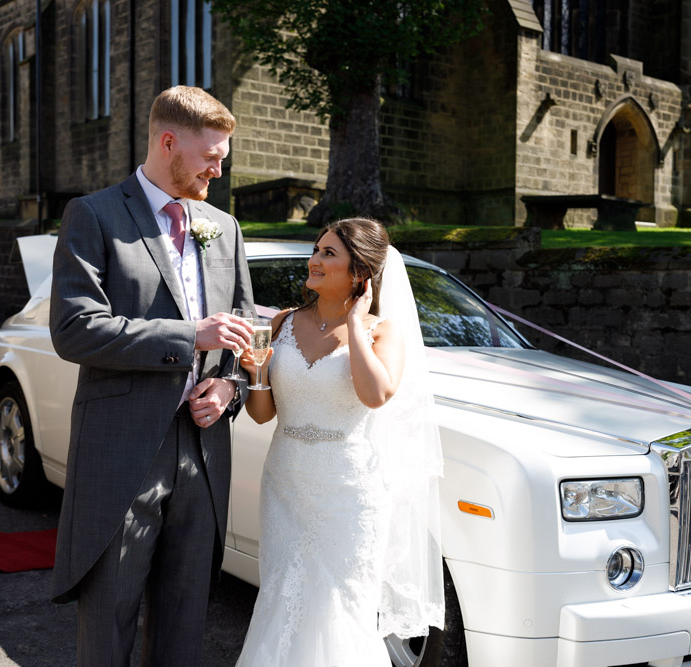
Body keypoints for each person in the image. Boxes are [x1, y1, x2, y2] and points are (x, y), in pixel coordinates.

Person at [49, 85, 256, 665]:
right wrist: (190, 338)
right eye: (211, 155)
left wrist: (228, 384)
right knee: (109, 622)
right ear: (169, 144)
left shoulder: (224, 226)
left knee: (185, 622)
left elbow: (240, 331)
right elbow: (74, 330)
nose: (221, 166)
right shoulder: (93, 215)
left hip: (203, 453)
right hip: (122, 453)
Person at [234, 218, 445, 666]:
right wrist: (255, 376)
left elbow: (375, 396)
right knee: (280, 599)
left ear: (360, 273)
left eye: (329, 254)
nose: (313, 260)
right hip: (285, 484)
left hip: (349, 494)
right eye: (316, 249)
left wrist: (354, 323)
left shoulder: (381, 332)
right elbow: (262, 415)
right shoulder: (283, 323)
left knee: (339, 606)